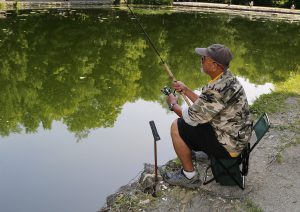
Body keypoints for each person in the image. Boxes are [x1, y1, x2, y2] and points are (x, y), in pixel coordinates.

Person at [164, 44, 252, 188]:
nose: (201, 61)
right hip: (239, 135)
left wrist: (173, 104)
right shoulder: (227, 78)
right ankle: (206, 153)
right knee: (197, 122)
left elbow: (190, 117)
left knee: (176, 126)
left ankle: (189, 176)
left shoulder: (216, 90)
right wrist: (186, 90)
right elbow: (206, 105)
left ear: (214, 65)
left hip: (230, 145)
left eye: (204, 58)